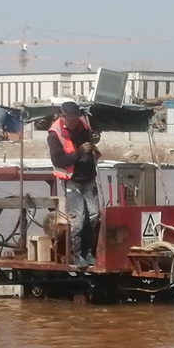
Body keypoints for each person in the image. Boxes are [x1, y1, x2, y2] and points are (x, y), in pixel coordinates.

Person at [47, 101, 101, 268]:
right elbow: (59, 160)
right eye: (71, 119)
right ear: (62, 117)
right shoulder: (55, 134)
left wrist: (95, 138)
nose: (74, 122)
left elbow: (95, 135)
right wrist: (80, 152)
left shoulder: (84, 126)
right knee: (78, 218)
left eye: (76, 119)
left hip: (88, 178)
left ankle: (88, 253)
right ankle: (76, 255)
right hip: (71, 180)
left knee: (93, 215)